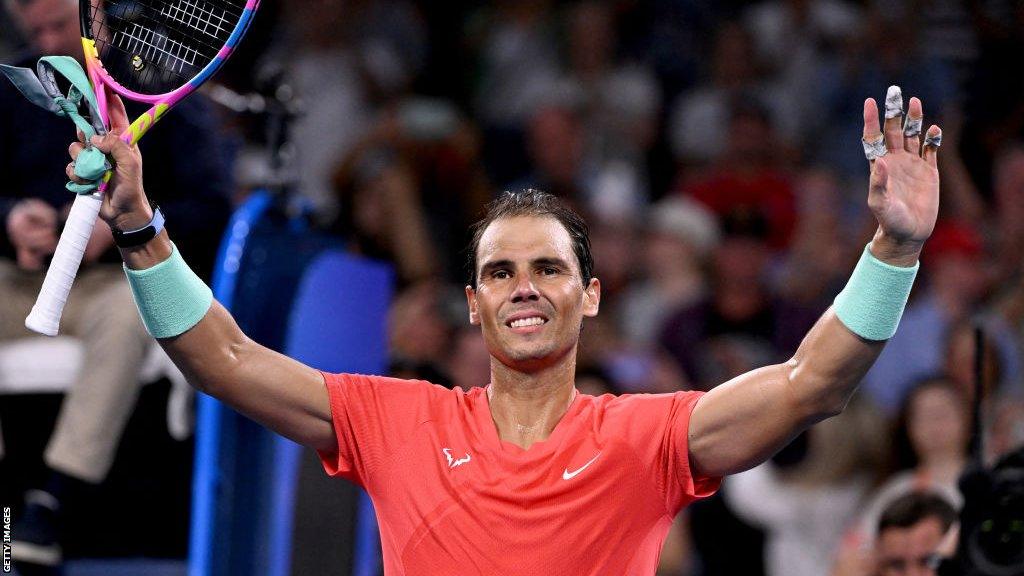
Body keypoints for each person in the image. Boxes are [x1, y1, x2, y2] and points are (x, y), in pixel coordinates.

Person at [67, 85, 941, 574]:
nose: (524, 288)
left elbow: (811, 384)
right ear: (475, 304)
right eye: (500, 272)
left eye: (549, 268)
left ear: (591, 297)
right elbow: (222, 360)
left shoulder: (645, 436)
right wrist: (141, 230)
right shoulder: (396, 421)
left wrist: (893, 250)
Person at [1, 0, 232, 572]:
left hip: (112, 282)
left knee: (135, 311)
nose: (52, 41)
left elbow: (210, 207)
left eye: (63, 26)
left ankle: (51, 501)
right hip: (19, 278)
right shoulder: (7, 92)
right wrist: (9, 219)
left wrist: (130, 225)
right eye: (38, 31)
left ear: (95, 17)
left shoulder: (160, 87)